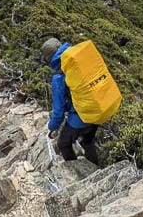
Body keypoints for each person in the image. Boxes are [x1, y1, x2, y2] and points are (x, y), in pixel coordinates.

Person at [41, 37, 100, 165]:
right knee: (88, 141)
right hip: (97, 109)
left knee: (63, 143)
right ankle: (95, 169)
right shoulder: (78, 62)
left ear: (49, 58)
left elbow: (58, 112)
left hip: (81, 115)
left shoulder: (58, 77)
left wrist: (51, 127)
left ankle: (77, 171)